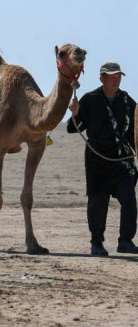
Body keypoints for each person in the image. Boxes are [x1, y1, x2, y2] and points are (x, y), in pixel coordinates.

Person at [67, 62, 137, 256]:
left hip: (121, 159)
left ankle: (125, 242)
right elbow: (73, 128)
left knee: (130, 201)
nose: (116, 80)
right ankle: (97, 243)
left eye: (118, 77)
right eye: (112, 77)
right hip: (97, 160)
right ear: (102, 78)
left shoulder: (127, 101)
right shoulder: (90, 100)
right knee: (97, 203)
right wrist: (75, 113)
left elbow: (134, 131)